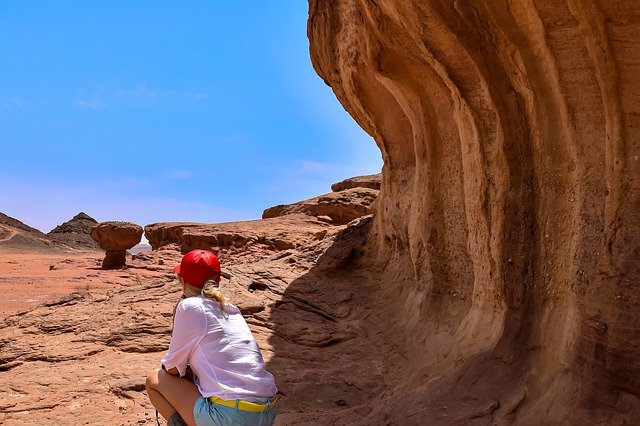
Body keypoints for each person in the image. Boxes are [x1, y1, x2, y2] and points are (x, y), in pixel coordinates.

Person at [146, 249, 278, 426]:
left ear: (182, 282)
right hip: (267, 411)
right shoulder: (230, 308)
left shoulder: (189, 306)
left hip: (232, 416)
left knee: (154, 379)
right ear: (218, 281)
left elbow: (172, 368)